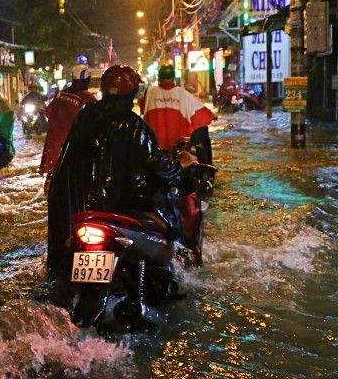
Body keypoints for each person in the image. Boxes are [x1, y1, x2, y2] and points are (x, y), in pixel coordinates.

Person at [46, 65, 184, 278]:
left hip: (80, 215)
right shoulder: (136, 127)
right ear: (133, 93)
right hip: (117, 217)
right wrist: (176, 168)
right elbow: (151, 167)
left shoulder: (85, 116)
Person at [139, 63, 214, 164]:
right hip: (178, 146)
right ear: (173, 78)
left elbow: (142, 109)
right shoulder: (182, 93)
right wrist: (212, 115)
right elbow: (201, 111)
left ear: (159, 78)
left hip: (154, 146)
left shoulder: (149, 92)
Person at [38, 63, 96, 177]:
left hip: (54, 144)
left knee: (53, 175)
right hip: (73, 146)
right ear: (86, 80)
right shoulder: (87, 98)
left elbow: (49, 113)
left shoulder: (61, 94)